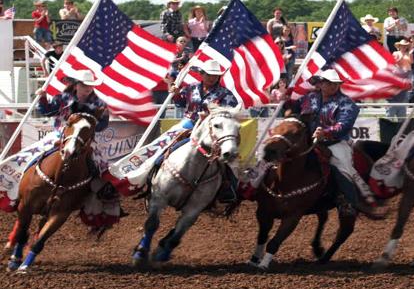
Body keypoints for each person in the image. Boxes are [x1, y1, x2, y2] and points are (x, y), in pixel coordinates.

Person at [0, 69, 120, 227]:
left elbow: (103, 124)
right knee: (31, 155)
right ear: (77, 85)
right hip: (59, 136)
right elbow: (47, 111)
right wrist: (42, 99)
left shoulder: (99, 103)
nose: (88, 88)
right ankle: (17, 180)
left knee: (100, 164)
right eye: (85, 85)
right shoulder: (64, 98)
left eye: (90, 86)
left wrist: (93, 126)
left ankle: (100, 198)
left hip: (85, 140)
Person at [107, 60, 239, 200]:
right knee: (162, 144)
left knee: (225, 154)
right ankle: (150, 175)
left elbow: (229, 113)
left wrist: (212, 116)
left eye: (215, 75)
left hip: (212, 128)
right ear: (201, 74)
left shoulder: (226, 94)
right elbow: (179, 103)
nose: (212, 78)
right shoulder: (191, 88)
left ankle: (229, 188)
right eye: (209, 74)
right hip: (189, 123)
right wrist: (175, 93)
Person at [299, 69, 386, 219]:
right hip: (307, 139)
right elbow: (296, 108)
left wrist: (325, 132)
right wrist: (286, 101)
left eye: (336, 84)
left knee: (344, 167)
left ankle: (356, 202)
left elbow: (343, 125)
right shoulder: (310, 97)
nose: (333, 86)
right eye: (329, 83)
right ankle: (254, 186)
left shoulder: (347, 103)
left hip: (335, 143)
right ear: (320, 83)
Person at [386, 39, 414, 119]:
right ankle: (395, 106)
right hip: (399, 72)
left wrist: (409, 54)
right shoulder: (396, 53)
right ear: (399, 46)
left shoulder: (409, 53)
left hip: (408, 72)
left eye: (405, 46)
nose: (404, 47)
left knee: (406, 90)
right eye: (403, 46)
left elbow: (412, 62)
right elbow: (393, 62)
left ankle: (402, 106)